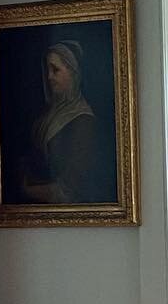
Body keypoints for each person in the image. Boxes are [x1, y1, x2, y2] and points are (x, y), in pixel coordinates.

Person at [18, 41, 114, 204]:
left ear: (73, 73)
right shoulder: (45, 116)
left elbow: (69, 189)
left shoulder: (84, 123)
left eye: (55, 70)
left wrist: (27, 190)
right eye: (47, 70)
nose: (49, 77)